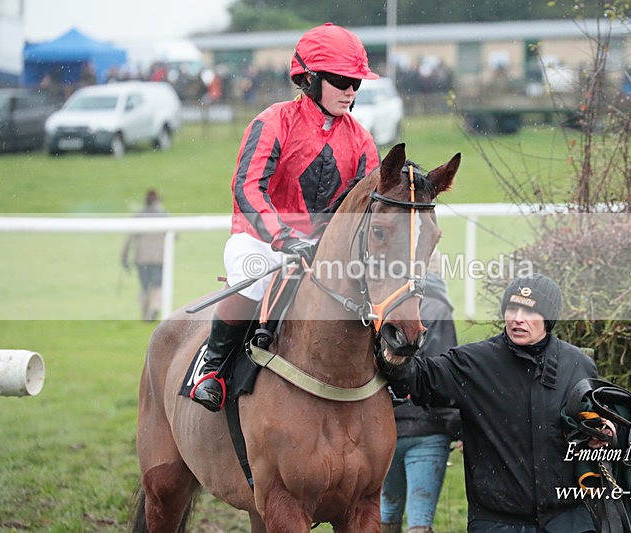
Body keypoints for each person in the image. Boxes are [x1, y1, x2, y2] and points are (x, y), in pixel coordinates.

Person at [190, 23, 381, 412]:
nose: (351, 91)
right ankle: (211, 370)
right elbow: (247, 187)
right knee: (252, 277)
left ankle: (389, 377)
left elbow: (364, 209)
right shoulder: (273, 121)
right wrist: (282, 237)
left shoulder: (362, 140)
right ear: (310, 78)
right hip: (260, 238)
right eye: (343, 80)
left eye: (357, 83)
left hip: (322, 248)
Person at [377, 273, 612, 532]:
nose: (517, 318)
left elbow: (593, 420)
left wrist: (605, 433)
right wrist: (393, 353)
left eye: (529, 310)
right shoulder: (475, 363)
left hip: (568, 520)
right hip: (497, 523)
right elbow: (420, 378)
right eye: (512, 308)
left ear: (549, 318)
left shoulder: (578, 365)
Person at [381, 251, 461, 533]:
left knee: (385, 513)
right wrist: (457, 424)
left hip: (384, 428)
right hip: (428, 431)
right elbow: (443, 373)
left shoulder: (381, 307)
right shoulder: (439, 309)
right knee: (420, 520)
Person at [121, 189, 168, 321]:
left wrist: (124, 257)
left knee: (144, 287)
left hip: (142, 258)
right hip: (159, 258)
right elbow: (175, 236)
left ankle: (145, 314)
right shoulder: (163, 216)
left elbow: (129, 239)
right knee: (158, 286)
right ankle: (154, 308)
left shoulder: (139, 216)